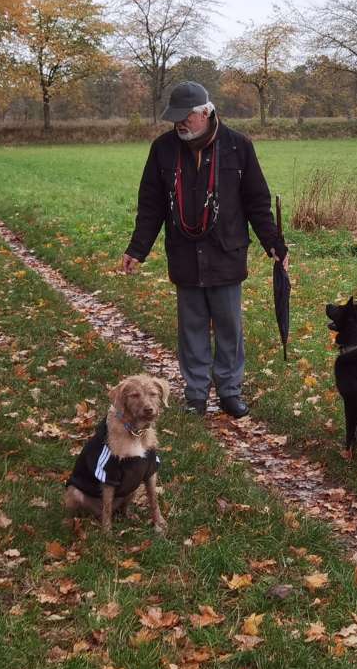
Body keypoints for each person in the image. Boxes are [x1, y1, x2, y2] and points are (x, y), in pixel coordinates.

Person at [120, 81, 288, 418]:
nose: (180, 123)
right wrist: (137, 249)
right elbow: (150, 205)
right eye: (175, 118)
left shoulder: (238, 147)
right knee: (191, 328)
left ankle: (229, 391)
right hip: (184, 253)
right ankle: (196, 394)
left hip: (226, 252)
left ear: (206, 113)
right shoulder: (163, 149)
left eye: (186, 117)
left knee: (229, 328)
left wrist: (273, 242)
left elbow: (257, 201)